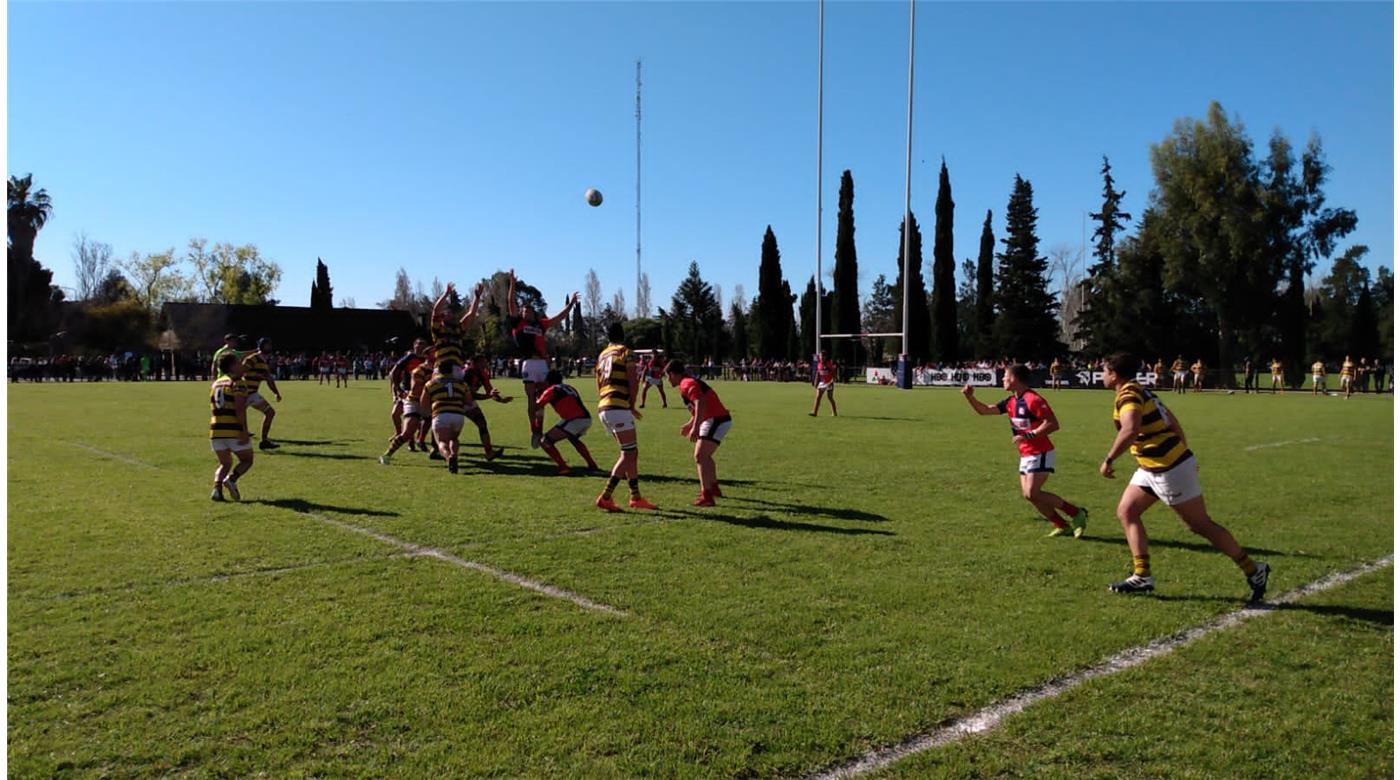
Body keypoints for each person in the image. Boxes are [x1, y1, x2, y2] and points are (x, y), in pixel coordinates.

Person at [1098, 353, 1270, 600]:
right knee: (1127, 511)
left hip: (1166, 468)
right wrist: (1185, 451)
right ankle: (1142, 576)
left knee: (1199, 525)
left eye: (1105, 371)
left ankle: (1254, 570)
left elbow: (1131, 428)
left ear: (1114, 374)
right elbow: (1173, 422)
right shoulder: (1141, 391)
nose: (1102, 375)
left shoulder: (1128, 395)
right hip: (1152, 468)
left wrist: (1109, 459)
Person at [961, 365, 1088, 538]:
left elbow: (1053, 423)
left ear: (1015, 379)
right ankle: (1062, 524)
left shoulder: (1033, 399)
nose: (1002, 379)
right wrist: (970, 398)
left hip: (1041, 452)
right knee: (1030, 496)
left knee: (1032, 492)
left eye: (1005, 376)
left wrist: (1029, 436)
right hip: (1026, 453)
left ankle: (1077, 513)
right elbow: (985, 411)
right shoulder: (1011, 401)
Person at [506, 270, 578, 449]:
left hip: (543, 364)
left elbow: (558, 318)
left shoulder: (540, 324)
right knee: (531, 397)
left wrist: (570, 305)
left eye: (528, 310)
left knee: (543, 398)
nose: (525, 313)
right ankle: (533, 430)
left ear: (533, 313)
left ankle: (539, 429)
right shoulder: (518, 324)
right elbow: (510, 303)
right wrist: (512, 284)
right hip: (529, 363)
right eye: (523, 311)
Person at [593, 321, 658, 512]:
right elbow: (633, 381)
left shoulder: (602, 354)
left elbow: (598, 382)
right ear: (623, 336)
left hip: (604, 406)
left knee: (629, 453)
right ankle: (606, 496)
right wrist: (631, 405)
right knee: (629, 453)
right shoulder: (625, 352)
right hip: (618, 405)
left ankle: (635, 496)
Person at [666, 360, 733, 506]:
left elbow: (700, 402)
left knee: (700, 455)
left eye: (668, 376)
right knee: (704, 456)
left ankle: (707, 496)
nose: (667, 380)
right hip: (715, 419)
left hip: (716, 419)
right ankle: (713, 489)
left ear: (672, 374)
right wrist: (690, 424)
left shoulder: (686, 383)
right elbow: (698, 408)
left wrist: (695, 427)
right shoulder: (686, 383)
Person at [536, 368, 600, 475]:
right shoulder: (569, 387)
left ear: (547, 381)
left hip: (574, 420)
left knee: (545, 441)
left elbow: (538, 406)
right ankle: (592, 464)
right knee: (573, 438)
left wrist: (537, 395)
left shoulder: (551, 390)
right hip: (586, 418)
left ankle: (563, 467)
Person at [209, 353, 253, 501]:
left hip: (216, 430)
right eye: (239, 362)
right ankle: (232, 480)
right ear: (233, 366)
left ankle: (217, 489)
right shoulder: (238, 382)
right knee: (247, 460)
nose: (243, 365)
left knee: (225, 463)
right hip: (233, 429)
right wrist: (243, 431)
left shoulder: (216, 383)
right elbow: (240, 409)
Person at [462, 354, 510, 462]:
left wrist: (501, 400)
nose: (485, 364)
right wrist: (488, 396)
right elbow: (471, 394)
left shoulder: (483, 373)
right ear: (474, 363)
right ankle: (436, 447)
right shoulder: (468, 373)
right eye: (482, 362)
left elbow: (490, 390)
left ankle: (489, 453)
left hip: (468, 403)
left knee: (482, 424)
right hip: (456, 402)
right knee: (451, 427)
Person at [423, 363, 469, 474]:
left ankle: (449, 458)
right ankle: (454, 455)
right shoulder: (461, 383)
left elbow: (423, 403)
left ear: (438, 370)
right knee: (454, 438)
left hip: (441, 414)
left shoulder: (431, 383)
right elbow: (469, 401)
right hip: (458, 415)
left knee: (442, 442)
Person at [240, 337, 283, 450]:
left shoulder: (264, 362)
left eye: (270, 345)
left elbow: (269, 379)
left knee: (270, 413)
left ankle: (264, 441)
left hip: (252, 394)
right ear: (261, 346)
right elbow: (241, 371)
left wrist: (276, 393)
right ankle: (232, 445)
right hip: (242, 394)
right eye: (266, 345)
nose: (269, 347)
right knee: (236, 419)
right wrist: (256, 376)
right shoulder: (253, 359)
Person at [387, 338, 429, 450]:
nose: (420, 347)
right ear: (414, 346)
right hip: (407, 392)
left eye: (423, 345)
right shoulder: (409, 358)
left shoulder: (428, 359)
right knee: (396, 414)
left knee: (420, 418)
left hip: (424, 393)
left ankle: (417, 440)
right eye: (418, 345)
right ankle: (401, 434)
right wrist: (398, 389)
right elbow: (394, 373)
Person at [810, 351, 838, 416]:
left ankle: (834, 412)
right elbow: (818, 373)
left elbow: (833, 372)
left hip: (829, 382)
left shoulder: (829, 364)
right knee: (818, 397)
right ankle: (814, 412)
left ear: (825, 357)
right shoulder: (819, 364)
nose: (821, 357)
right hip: (822, 383)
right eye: (820, 356)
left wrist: (835, 378)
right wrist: (815, 382)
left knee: (830, 397)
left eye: (822, 356)